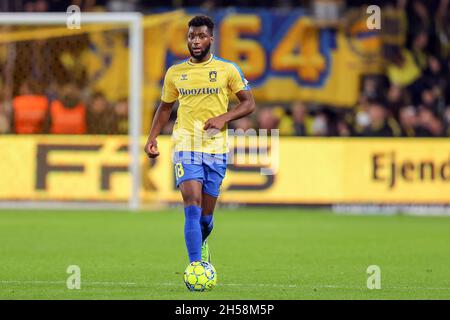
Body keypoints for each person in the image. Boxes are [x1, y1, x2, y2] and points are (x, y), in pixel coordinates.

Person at [144, 15, 255, 264]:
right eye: (192, 36)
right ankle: (195, 265)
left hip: (216, 147)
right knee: (191, 204)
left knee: (205, 218)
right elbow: (165, 108)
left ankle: (203, 242)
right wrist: (152, 137)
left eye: (201, 36)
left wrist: (223, 118)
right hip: (185, 144)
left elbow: (249, 104)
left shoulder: (227, 69)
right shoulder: (175, 73)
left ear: (211, 39)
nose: (196, 41)